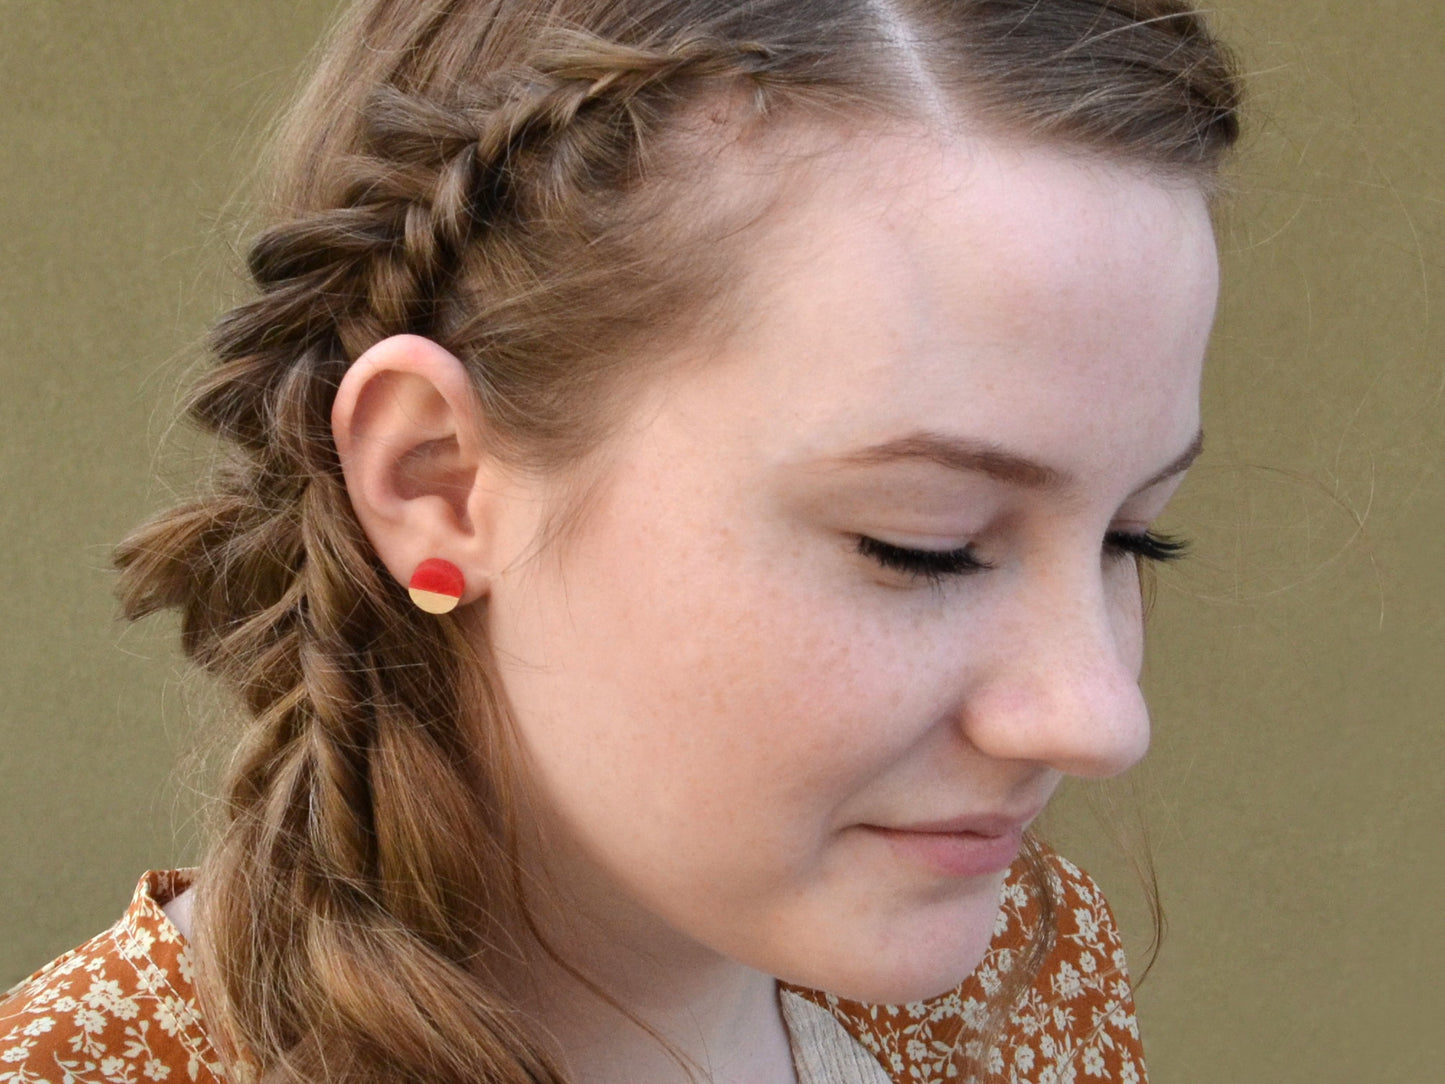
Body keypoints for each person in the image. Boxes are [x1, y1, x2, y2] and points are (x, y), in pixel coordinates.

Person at [0, 1, 1240, 1081]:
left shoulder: (1017, 982)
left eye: (1133, 539)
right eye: (922, 543)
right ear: (435, 482)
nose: (1097, 717)